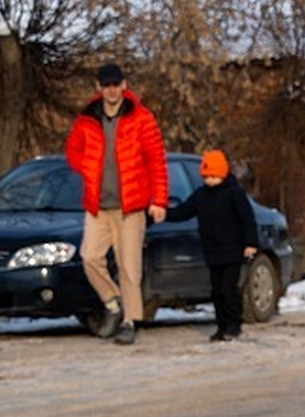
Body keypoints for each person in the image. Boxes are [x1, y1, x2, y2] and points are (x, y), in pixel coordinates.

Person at [65, 62, 168, 345]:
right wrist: (87, 168)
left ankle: (129, 321)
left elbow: (157, 162)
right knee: (89, 257)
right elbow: (73, 151)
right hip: (98, 207)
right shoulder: (87, 118)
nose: (111, 89)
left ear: (124, 85)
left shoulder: (142, 118)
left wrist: (158, 200)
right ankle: (112, 302)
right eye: (106, 84)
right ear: (99, 87)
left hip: (130, 207)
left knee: (128, 266)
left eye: (116, 84)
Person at [165, 150, 259, 342]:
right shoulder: (201, 195)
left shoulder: (234, 193)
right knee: (216, 291)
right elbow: (183, 212)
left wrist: (250, 243)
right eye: (206, 176)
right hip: (212, 251)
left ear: (223, 174)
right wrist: (162, 214)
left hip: (233, 250)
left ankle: (234, 325)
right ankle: (221, 326)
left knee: (228, 288)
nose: (209, 180)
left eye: (213, 176)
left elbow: (247, 219)